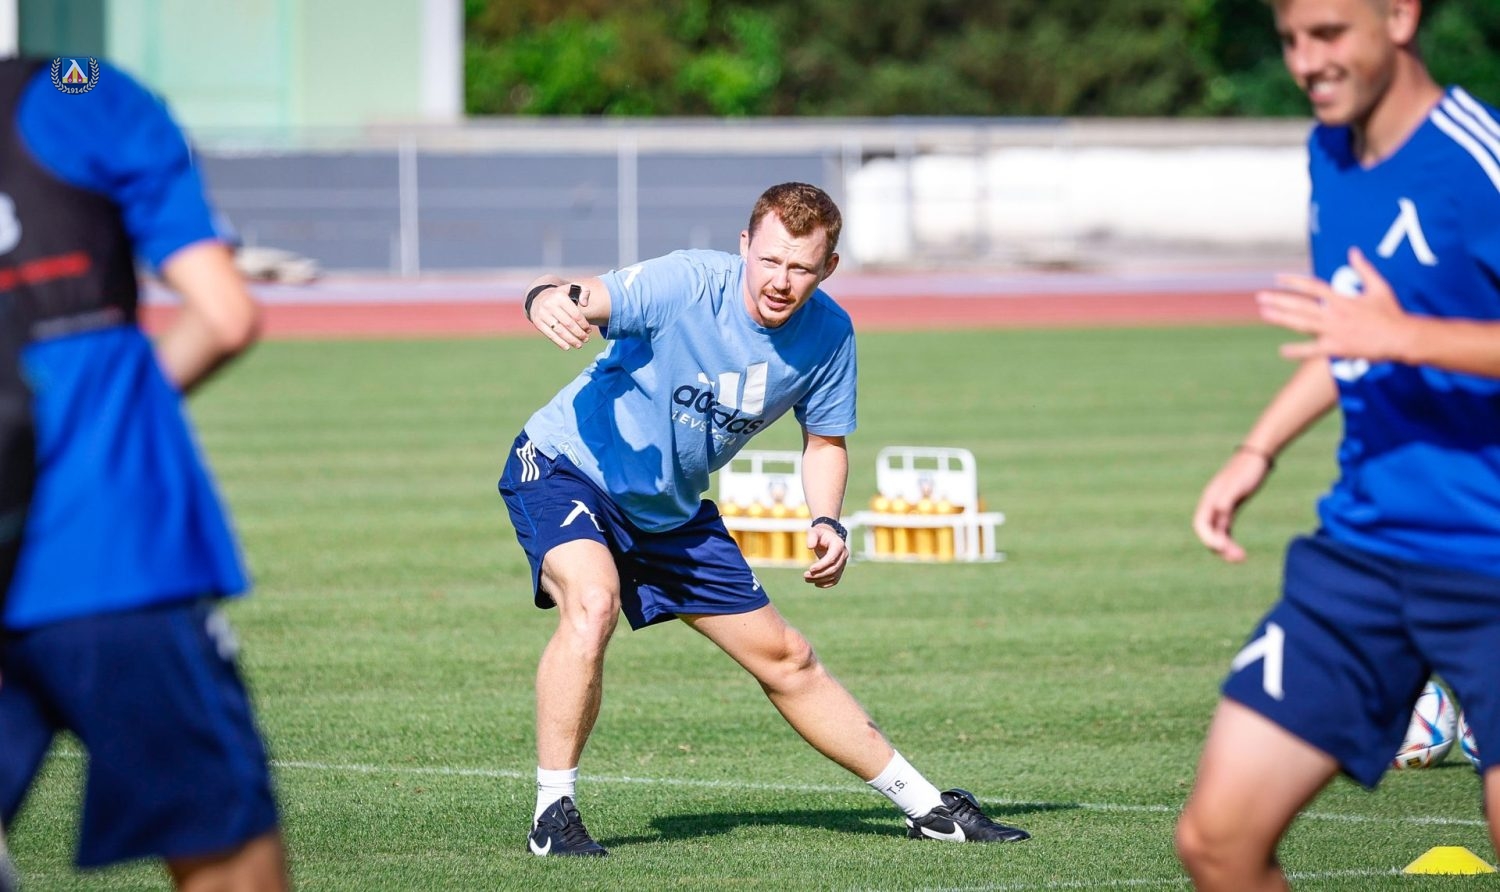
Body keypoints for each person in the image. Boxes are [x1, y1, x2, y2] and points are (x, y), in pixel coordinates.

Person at [500, 181, 1031, 856]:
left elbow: (825, 441)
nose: (781, 281)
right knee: (593, 599)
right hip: (565, 466)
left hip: (668, 511)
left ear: (828, 267)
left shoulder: (830, 334)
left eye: (801, 267)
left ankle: (927, 808)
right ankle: (553, 816)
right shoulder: (688, 282)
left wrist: (828, 520)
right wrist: (544, 298)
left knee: (788, 658)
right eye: (770, 260)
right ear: (745, 244)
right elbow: (575, 293)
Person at [1177, 0, 1500, 888]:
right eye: (1289, 39)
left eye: (1327, 34)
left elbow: (1391, 331)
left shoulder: (1480, 158)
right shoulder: (1330, 152)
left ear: (1398, 16)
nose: (1304, 62)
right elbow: (1354, 331)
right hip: (1368, 552)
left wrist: (1408, 338)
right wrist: (1256, 451)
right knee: (1218, 842)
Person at [0, 57, 289, 890]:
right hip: (107, 550)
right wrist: (111, 405)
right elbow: (224, 315)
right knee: (228, 852)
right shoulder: (78, 89)